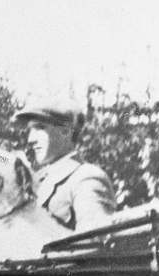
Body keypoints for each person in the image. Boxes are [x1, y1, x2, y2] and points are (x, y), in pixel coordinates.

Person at [12, 99, 116, 232]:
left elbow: (94, 243)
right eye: (30, 130)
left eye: (39, 128)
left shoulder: (87, 178)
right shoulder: (37, 180)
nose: (30, 139)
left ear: (66, 132)